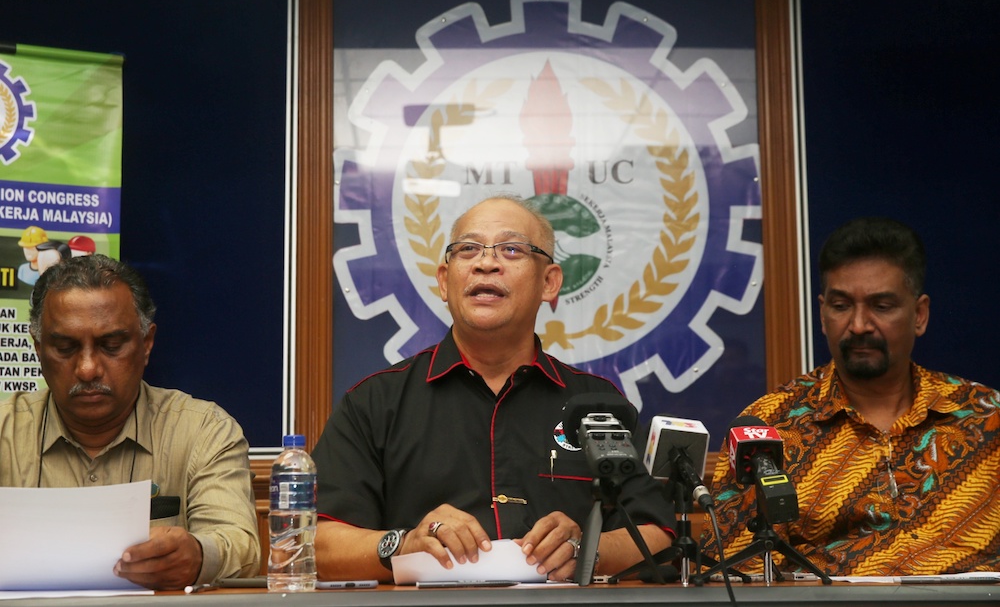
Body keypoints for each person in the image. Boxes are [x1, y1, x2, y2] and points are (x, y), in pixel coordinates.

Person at [313, 195, 675, 582]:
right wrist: (403, 545)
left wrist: (589, 551)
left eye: (512, 249)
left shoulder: (596, 404)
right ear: (444, 281)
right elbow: (316, 543)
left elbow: (658, 532)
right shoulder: (375, 402)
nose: (486, 263)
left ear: (549, 283)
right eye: (468, 249)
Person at [703, 216, 1000, 575]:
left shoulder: (987, 417)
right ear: (823, 313)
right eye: (842, 306)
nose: (859, 325)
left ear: (919, 315)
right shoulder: (770, 428)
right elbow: (736, 572)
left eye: (882, 306)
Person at [0, 254, 260, 590]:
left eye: (111, 345)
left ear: (146, 344)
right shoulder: (6, 430)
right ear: (38, 349)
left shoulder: (202, 430)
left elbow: (239, 544)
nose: (88, 369)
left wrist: (197, 555)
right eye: (65, 348)